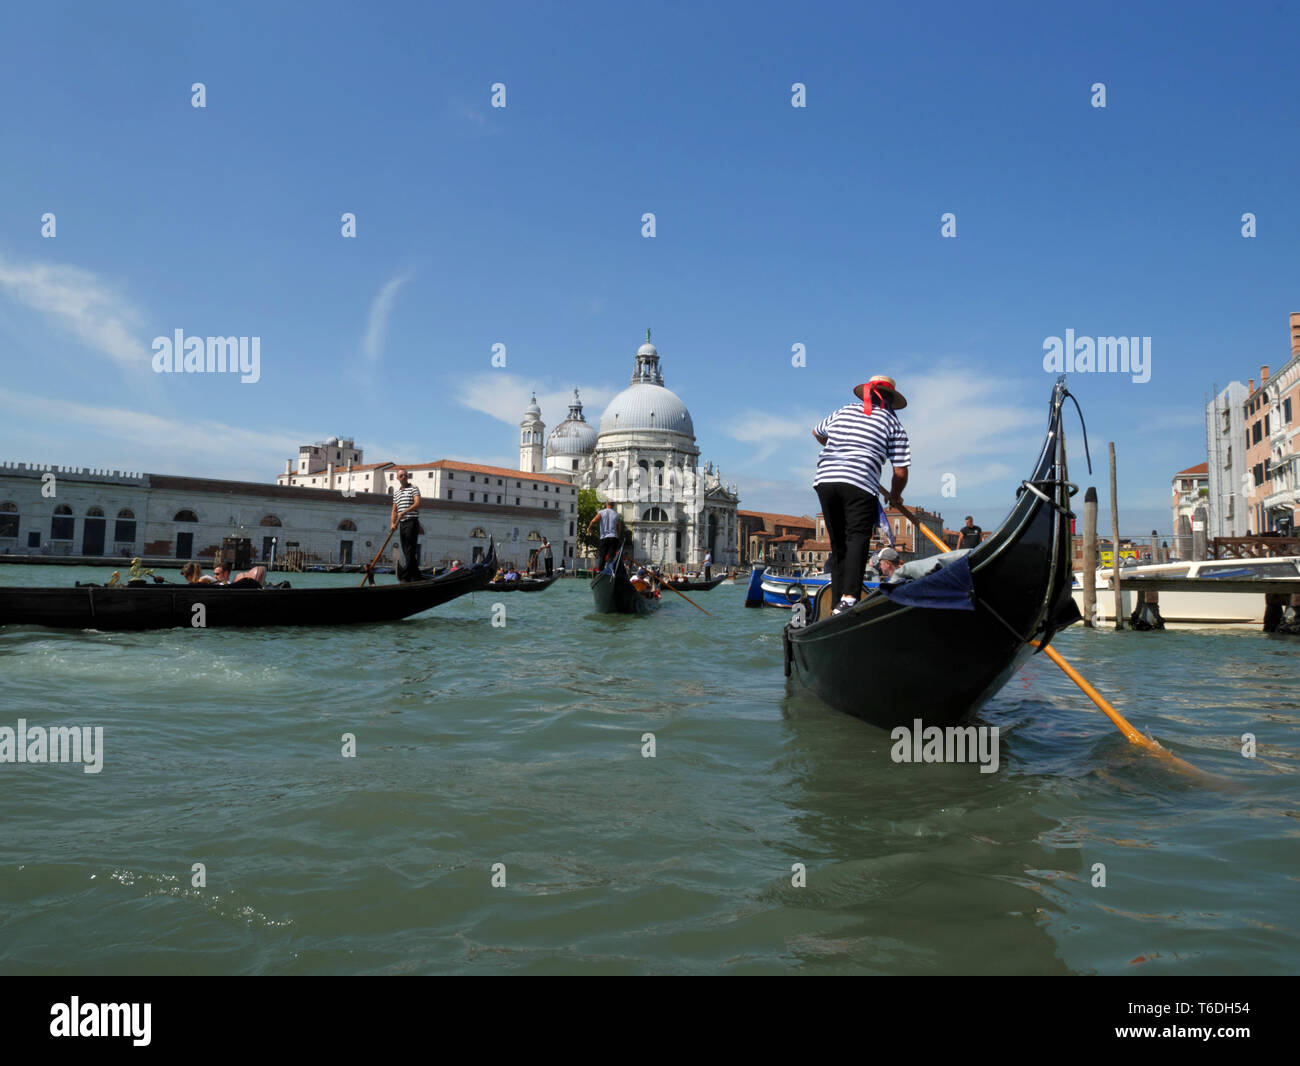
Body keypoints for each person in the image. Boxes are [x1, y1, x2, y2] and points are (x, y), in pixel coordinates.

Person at [812, 374, 911, 615]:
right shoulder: (893, 424)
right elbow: (900, 471)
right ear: (890, 399)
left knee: (839, 545)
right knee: (857, 537)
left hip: (825, 480)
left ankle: (838, 602)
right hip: (859, 483)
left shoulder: (845, 410)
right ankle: (848, 599)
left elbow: (816, 432)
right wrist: (896, 496)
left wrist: (840, 450)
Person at [390, 468, 422, 583]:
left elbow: (417, 503)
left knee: (409, 549)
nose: (404, 477)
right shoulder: (396, 493)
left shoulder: (414, 488)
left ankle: (406, 576)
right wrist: (392, 524)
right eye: (401, 476)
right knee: (406, 550)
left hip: (412, 522)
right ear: (398, 478)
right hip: (402, 524)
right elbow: (394, 510)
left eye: (405, 475)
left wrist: (405, 511)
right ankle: (416, 575)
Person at [587, 500, 624, 571]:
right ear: (613, 505)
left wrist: (589, 528)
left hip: (604, 538)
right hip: (614, 538)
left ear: (606, 504)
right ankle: (609, 571)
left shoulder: (601, 512)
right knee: (611, 556)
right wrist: (618, 537)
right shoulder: (616, 514)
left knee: (602, 556)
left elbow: (593, 521)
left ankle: (600, 571)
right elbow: (619, 527)